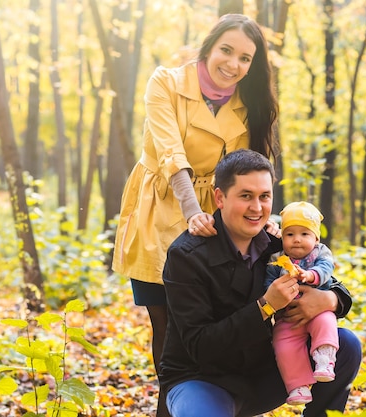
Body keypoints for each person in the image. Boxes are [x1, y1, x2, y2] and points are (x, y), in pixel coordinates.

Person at [111, 14, 278, 417]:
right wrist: (192, 212)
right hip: (163, 202)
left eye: (245, 58)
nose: (233, 65)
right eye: (226, 50)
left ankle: (211, 402)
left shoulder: (247, 105)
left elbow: (252, 168)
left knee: (206, 319)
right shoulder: (166, 81)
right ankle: (169, 405)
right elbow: (170, 152)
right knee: (166, 324)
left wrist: (266, 217)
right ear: (209, 46)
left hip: (215, 208)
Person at [160, 149, 362, 417]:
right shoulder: (187, 255)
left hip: (261, 371)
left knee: (346, 344)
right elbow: (200, 346)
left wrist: (330, 299)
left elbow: (336, 287)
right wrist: (265, 306)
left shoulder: (277, 243)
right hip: (202, 379)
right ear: (219, 197)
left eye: (264, 196)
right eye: (246, 196)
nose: (257, 208)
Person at [264, 201, 339, 405]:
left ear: (315, 238)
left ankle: (324, 358)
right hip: (288, 316)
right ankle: (298, 386)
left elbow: (326, 268)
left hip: (316, 309)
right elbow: (268, 282)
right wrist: (272, 294)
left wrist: (311, 275)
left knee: (326, 321)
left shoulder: (320, 252)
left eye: (304, 234)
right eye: (290, 234)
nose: (297, 240)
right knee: (283, 341)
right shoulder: (277, 258)